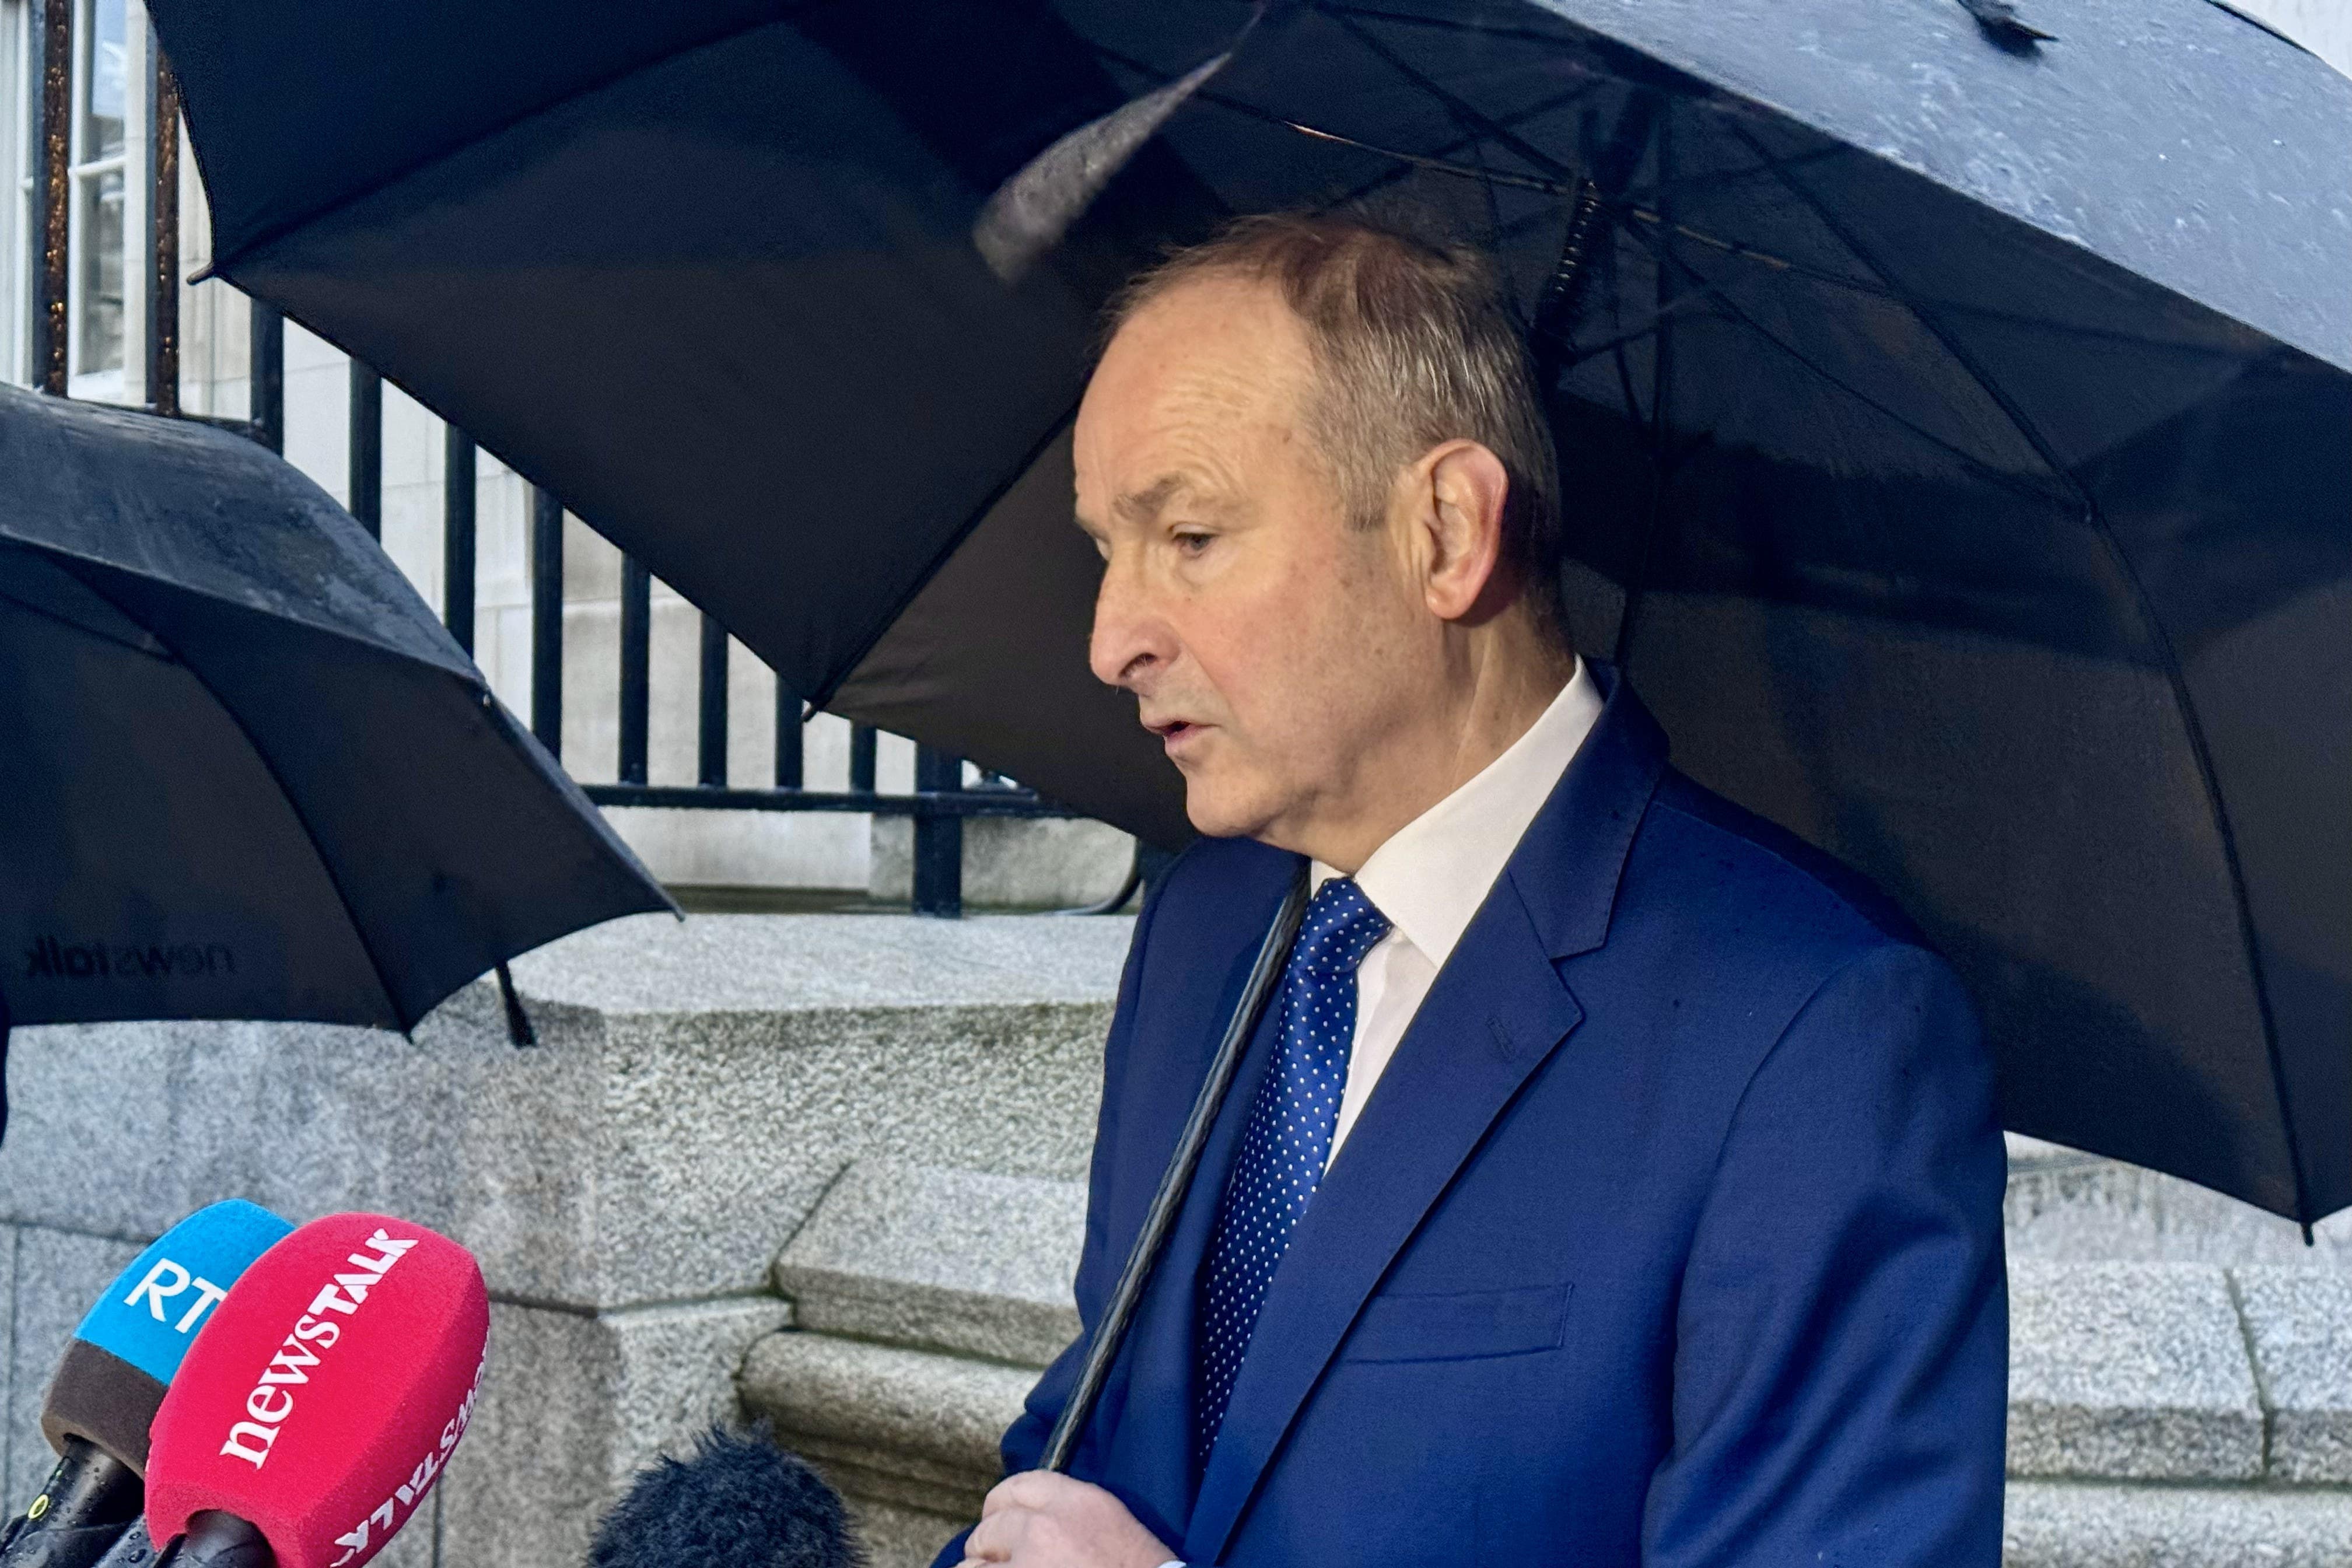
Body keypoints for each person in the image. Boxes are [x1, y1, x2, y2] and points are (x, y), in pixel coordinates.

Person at [943, 214, 2007, 1568]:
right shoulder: (1203, 929)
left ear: (1446, 531)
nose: (1113, 639)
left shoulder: (1816, 1034)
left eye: (1191, 535)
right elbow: (1084, 1456)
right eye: (1110, 548)